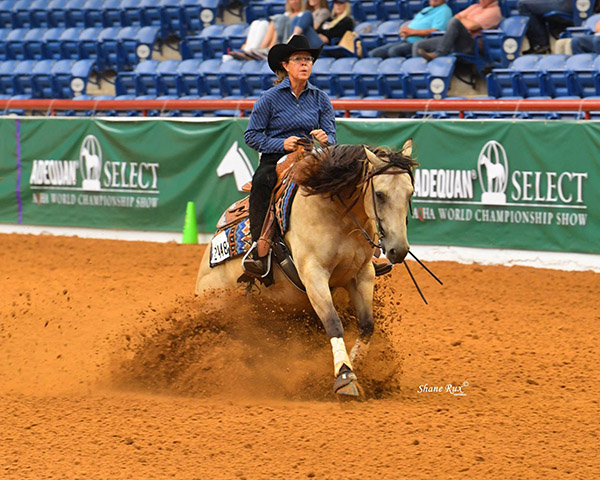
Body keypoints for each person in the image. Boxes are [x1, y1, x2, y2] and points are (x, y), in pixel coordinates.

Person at [242, 35, 336, 276]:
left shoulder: (320, 99)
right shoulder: (269, 98)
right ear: (285, 65)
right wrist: (281, 143)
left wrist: (325, 140)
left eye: (309, 59)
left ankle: (364, 248)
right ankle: (257, 248)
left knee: (344, 181)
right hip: (276, 158)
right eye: (299, 59)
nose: (305, 64)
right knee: (262, 182)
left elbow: (332, 138)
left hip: (311, 156)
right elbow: (251, 136)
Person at [415, 0, 502, 60]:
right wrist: (463, 20)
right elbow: (456, 16)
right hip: (454, 39)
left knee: (454, 22)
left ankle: (439, 53)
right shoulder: (475, 7)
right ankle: (419, 74)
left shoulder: (494, 11)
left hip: (470, 44)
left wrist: (461, 19)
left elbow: (471, 26)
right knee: (419, 45)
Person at [369, 0, 453, 59]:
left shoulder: (444, 10)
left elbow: (436, 31)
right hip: (405, 40)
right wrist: (404, 30)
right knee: (375, 53)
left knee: (394, 51)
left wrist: (412, 32)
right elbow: (414, 23)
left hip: (419, 43)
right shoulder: (426, 9)